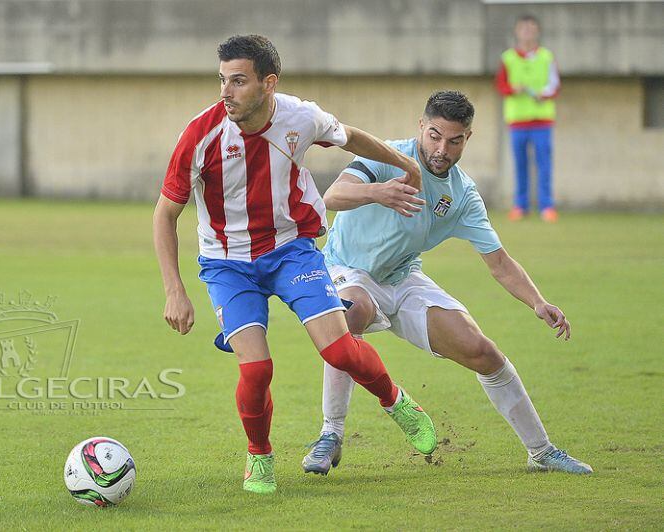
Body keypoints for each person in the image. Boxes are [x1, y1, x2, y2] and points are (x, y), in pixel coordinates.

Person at [153, 34, 437, 495]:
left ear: (269, 83)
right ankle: (260, 457)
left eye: (238, 81)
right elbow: (164, 214)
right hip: (227, 264)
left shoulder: (300, 117)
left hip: (290, 249)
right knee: (256, 370)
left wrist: (404, 161)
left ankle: (397, 402)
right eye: (222, 80)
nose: (226, 91)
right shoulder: (200, 135)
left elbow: (350, 137)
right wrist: (174, 290)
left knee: (340, 351)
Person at [301, 90, 592, 476]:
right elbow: (333, 195)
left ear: (467, 139)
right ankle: (330, 434)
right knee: (351, 311)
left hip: (403, 278)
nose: (442, 149)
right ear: (421, 126)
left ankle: (541, 452)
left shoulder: (463, 196)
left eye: (455, 141)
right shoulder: (386, 156)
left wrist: (538, 302)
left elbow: (500, 263)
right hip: (346, 269)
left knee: (482, 351)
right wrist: (379, 192)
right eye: (435, 136)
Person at [495, 14, 561, 223]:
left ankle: (547, 206)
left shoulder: (546, 57)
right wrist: (514, 89)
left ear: (537, 32)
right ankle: (520, 206)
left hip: (542, 120)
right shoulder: (508, 58)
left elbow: (555, 85)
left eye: (531, 28)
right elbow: (501, 85)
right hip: (517, 121)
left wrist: (544, 94)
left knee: (544, 165)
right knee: (520, 165)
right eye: (523, 28)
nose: (527, 32)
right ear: (517, 31)